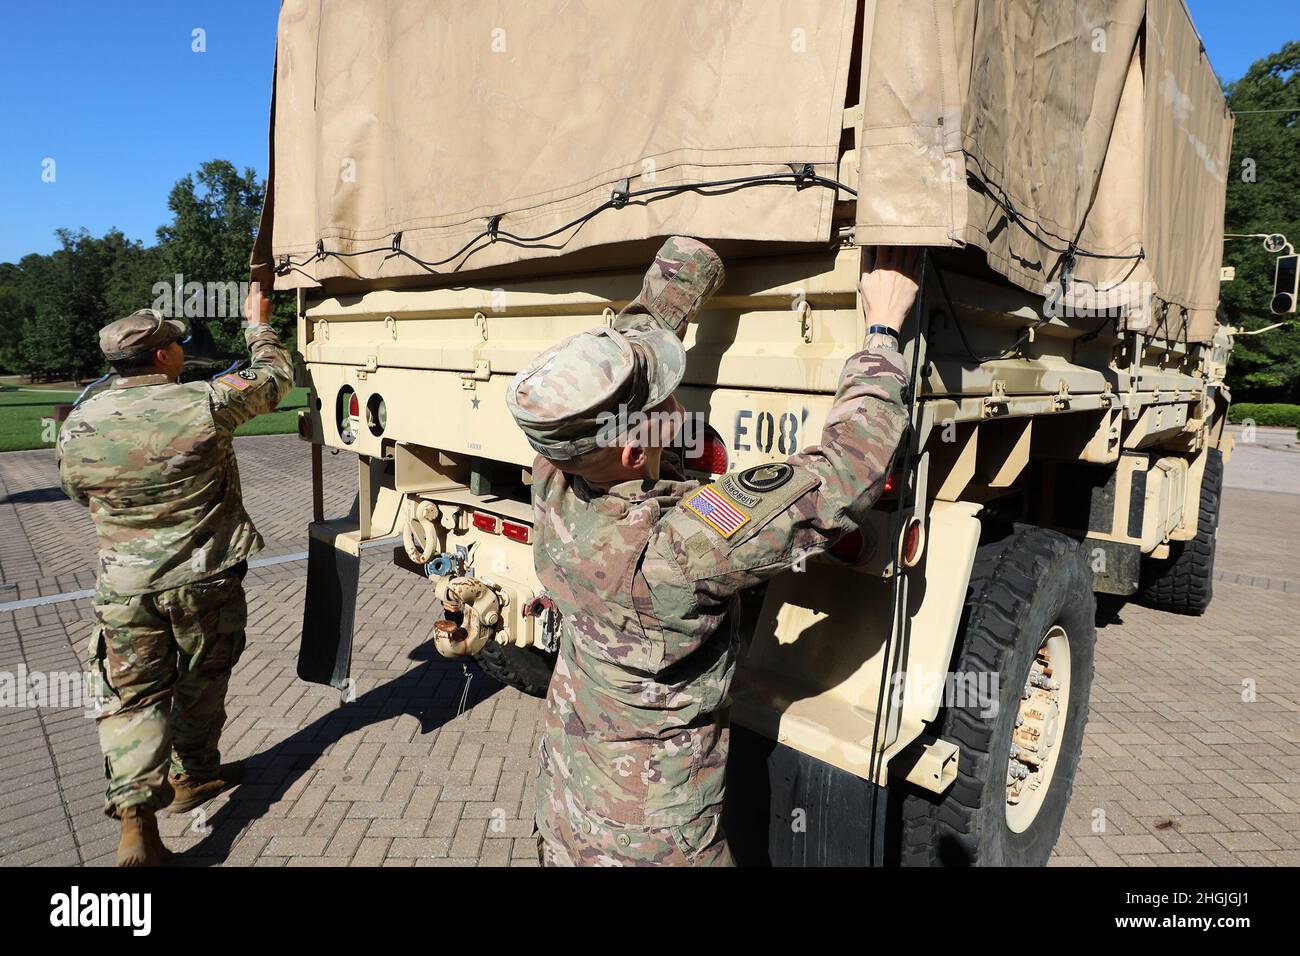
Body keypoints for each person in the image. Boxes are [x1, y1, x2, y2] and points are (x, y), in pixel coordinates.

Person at [505, 238, 921, 865]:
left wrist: (690, 254)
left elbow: (630, 354)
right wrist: (883, 330)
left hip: (568, 804)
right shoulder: (683, 547)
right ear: (630, 449)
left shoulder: (554, 477)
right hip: (657, 843)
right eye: (661, 403)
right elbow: (845, 470)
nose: (675, 403)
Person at [57, 289, 293, 866]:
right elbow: (275, 376)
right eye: (175, 344)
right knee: (202, 680)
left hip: (125, 588)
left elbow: (76, 493)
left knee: (131, 701)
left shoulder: (78, 423)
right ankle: (193, 775)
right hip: (204, 580)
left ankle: (137, 823)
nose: (181, 352)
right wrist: (258, 326)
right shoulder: (206, 402)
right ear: (162, 357)